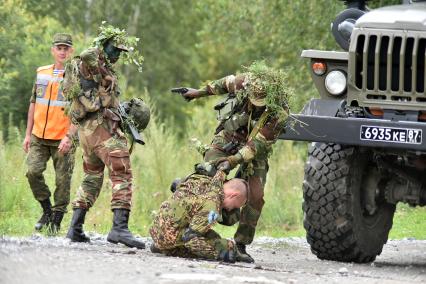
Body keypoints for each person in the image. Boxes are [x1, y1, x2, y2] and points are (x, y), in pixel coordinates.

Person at [173, 61, 291, 262]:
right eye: (254, 99)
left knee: (256, 195)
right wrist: (197, 93)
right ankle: (179, 211)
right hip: (230, 137)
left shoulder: (279, 114)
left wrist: (232, 161)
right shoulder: (244, 83)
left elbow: (256, 147)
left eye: (260, 101)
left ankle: (241, 245)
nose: (255, 104)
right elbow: (221, 84)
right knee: (207, 173)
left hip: (255, 151)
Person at [63, 23, 146, 249]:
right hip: (103, 130)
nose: (118, 54)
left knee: (91, 177)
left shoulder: (92, 67)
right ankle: (119, 229)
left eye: (121, 51)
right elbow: (101, 95)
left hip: (87, 133)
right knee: (122, 173)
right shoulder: (94, 61)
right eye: (115, 49)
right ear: (104, 46)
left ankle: (75, 228)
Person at [22, 33, 77, 234]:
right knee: (32, 172)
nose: (62, 51)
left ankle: (56, 221)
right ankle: (46, 211)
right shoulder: (41, 73)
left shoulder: (76, 76)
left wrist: (70, 136)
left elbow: (79, 111)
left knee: (63, 181)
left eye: (66, 48)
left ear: (71, 51)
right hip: (39, 136)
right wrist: (28, 134)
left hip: (63, 138)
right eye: (59, 48)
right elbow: (33, 104)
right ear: (53, 50)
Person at [150, 170, 249, 263]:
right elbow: (191, 240)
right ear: (233, 195)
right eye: (235, 206)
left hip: (157, 228)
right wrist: (220, 254)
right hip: (168, 234)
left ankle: (161, 244)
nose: (230, 209)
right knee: (225, 245)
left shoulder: (204, 180)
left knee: (212, 236)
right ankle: (165, 247)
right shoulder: (213, 204)